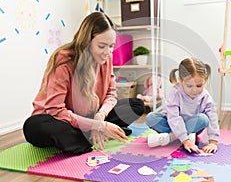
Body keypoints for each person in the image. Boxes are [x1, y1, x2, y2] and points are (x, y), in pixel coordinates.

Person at [23, 12, 145, 155]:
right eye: (101, 46)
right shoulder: (63, 59)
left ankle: (86, 135)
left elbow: (111, 94)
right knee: (33, 126)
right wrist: (99, 126)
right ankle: (95, 133)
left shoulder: (107, 58)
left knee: (136, 105)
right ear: (87, 42)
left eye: (111, 46)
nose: (107, 52)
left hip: (89, 116)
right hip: (59, 119)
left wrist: (100, 116)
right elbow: (55, 110)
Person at [146, 57, 219, 154]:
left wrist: (213, 142)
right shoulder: (175, 93)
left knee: (203, 119)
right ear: (181, 80)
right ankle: (180, 137)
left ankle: (170, 138)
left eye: (199, 86)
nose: (194, 90)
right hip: (172, 124)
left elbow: (212, 117)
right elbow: (173, 117)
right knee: (151, 118)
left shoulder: (205, 96)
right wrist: (185, 140)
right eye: (189, 86)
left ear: (204, 81)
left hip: (192, 125)